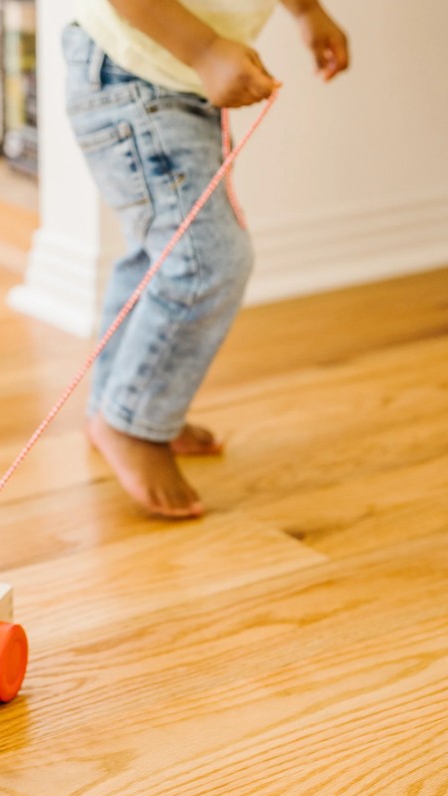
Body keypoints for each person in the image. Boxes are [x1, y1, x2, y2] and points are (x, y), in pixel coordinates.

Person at [63, 0, 348, 518]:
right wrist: (205, 49)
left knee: (160, 255)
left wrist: (307, 12)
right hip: (133, 69)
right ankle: (132, 422)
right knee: (205, 258)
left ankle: (119, 405)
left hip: (175, 79)